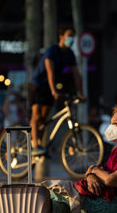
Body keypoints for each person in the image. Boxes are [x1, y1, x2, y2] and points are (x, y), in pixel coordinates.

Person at [48, 103, 117, 213]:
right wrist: (91, 175)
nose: (111, 127)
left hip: (113, 207)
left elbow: (110, 180)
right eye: (111, 123)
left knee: (54, 193)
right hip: (102, 199)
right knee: (51, 207)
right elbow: (101, 171)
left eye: (116, 123)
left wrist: (93, 170)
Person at [29, 25, 86, 155]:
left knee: (44, 119)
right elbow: (50, 71)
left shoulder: (70, 54)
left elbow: (77, 75)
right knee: (36, 115)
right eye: (69, 35)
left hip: (51, 88)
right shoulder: (52, 50)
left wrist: (81, 94)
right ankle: (35, 145)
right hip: (38, 85)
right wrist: (54, 90)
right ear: (61, 36)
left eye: (73, 36)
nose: (71, 38)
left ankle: (38, 146)